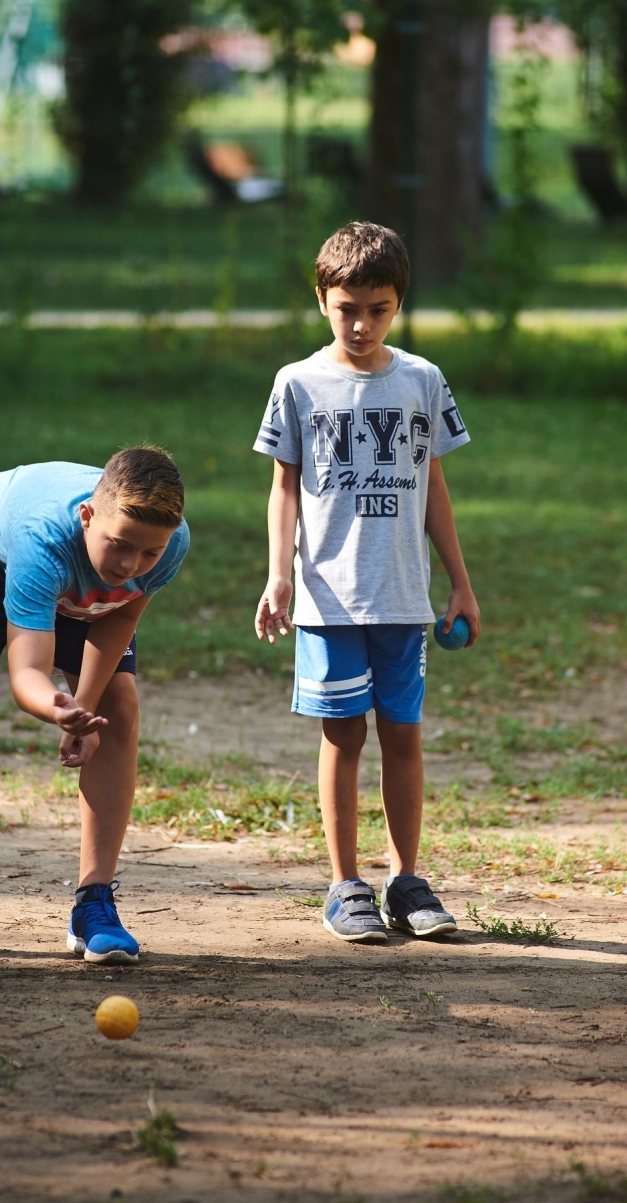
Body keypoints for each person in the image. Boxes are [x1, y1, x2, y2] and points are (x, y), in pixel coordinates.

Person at [254, 221, 480, 943]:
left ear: (398, 305)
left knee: (404, 735)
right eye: (347, 307)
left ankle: (407, 880)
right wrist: (278, 575)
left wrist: (460, 583)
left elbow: (433, 485)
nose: (361, 323)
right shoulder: (298, 383)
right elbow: (283, 487)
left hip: (403, 597)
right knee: (344, 735)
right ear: (322, 299)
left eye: (377, 309)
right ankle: (345, 884)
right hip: (327, 595)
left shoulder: (422, 379)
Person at [0, 447, 189, 965]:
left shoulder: (168, 543)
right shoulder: (43, 538)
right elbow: (27, 672)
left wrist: (87, 708)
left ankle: (94, 903)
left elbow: (118, 619)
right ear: (87, 515)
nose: (130, 565)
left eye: (148, 553)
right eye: (121, 546)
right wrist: (58, 710)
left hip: (78, 582)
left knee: (118, 709)